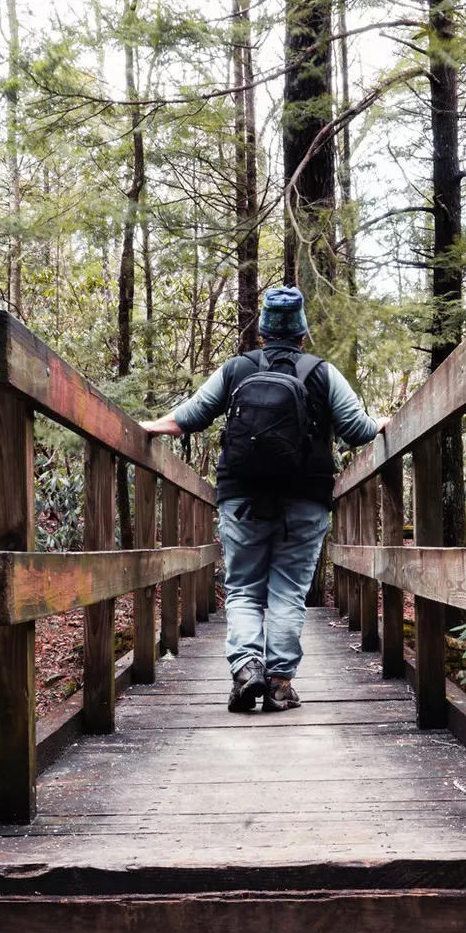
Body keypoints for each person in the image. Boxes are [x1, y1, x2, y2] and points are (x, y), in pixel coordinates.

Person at [142, 285, 387, 713]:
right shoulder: (322, 373)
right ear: (302, 333)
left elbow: (188, 419)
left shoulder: (237, 369)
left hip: (243, 497)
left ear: (263, 332)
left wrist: (143, 427)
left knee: (242, 591)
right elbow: (358, 430)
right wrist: (384, 422)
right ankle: (278, 685)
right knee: (289, 591)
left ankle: (246, 667)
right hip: (305, 500)